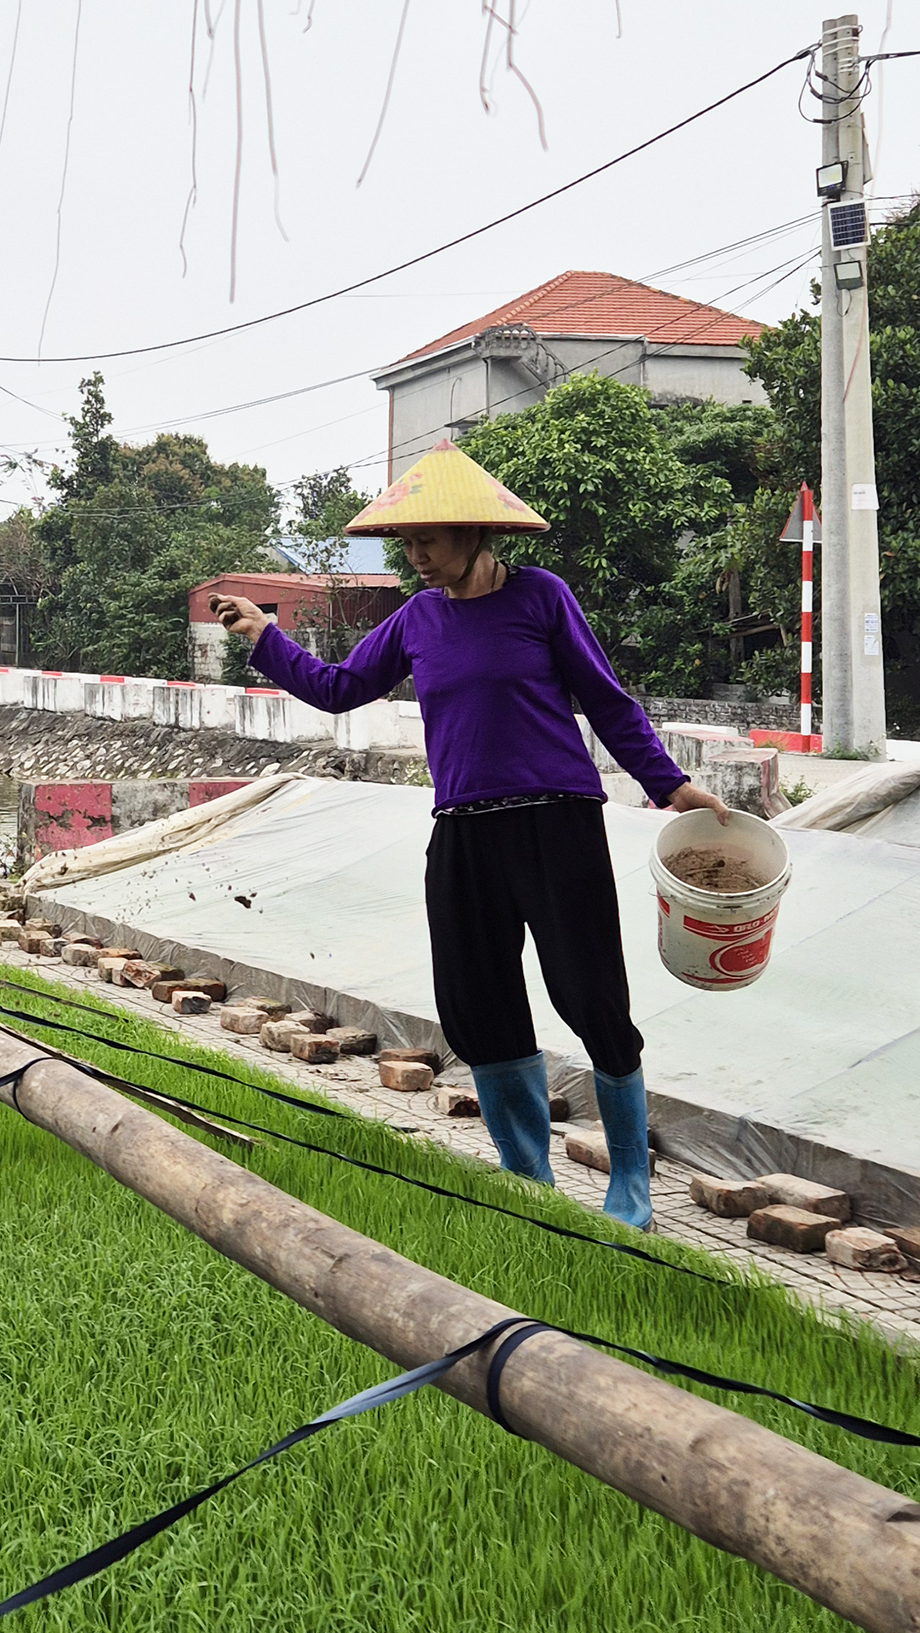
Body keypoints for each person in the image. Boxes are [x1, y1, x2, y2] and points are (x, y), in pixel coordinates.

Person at [210, 447, 724, 1231]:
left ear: (476, 533)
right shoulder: (417, 618)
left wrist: (668, 782)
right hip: (463, 831)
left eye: (432, 541)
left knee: (591, 997)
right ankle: (529, 1182)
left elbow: (606, 701)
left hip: (556, 822)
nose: (417, 557)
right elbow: (341, 687)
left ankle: (630, 1180)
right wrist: (264, 637)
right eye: (408, 543)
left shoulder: (542, 599)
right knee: (475, 1003)